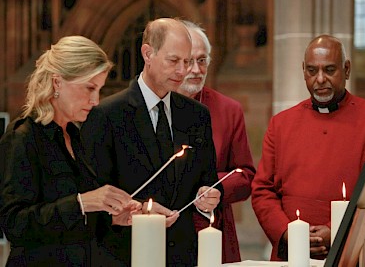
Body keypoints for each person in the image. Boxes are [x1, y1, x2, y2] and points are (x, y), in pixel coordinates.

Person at [81, 18, 222, 266]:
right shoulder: (106, 115)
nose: (183, 71)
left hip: (181, 255)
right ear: (148, 53)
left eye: (188, 61)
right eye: (174, 61)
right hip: (124, 253)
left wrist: (208, 197)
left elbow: (207, 179)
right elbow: (94, 195)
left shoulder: (197, 115)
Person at [251, 35, 365, 261]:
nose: (320, 79)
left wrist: (335, 231)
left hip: (351, 253)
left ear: (346, 70)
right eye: (312, 71)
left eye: (330, 70)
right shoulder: (281, 124)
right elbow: (262, 190)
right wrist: (288, 233)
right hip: (290, 253)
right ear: (303, 71)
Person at [0, 36, 141, 266]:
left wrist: (113, 219)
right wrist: (82, 203)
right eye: (89, 88)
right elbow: (14, 224)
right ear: (57, 83)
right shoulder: (22, 137)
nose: (96, 101)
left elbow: (75, 226)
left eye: (100, 90)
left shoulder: (76, 137)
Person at [177, 20, 256, 263]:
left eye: (202, 60)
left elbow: (246, 174)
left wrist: (217, 188)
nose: (196, 69)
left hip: (213, 228)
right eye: (188, 61)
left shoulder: (228, 109)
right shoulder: (152, 106)